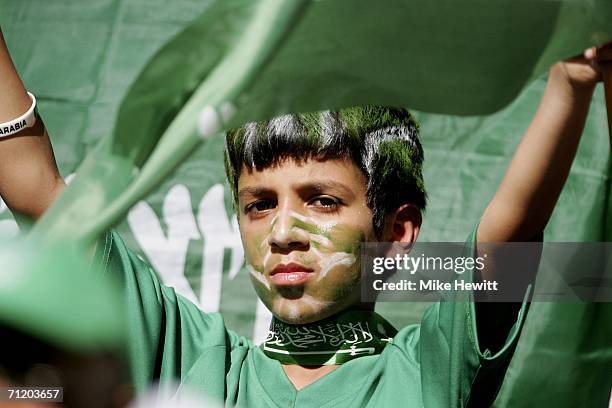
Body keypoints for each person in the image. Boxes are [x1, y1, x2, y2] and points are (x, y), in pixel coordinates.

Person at [0, 25, 610, 406]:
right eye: (259, 205)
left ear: (396, 232)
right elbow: (42, 199)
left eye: (322, 199)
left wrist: (571, 85)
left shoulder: (426, 371)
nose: (285, 232)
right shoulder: (195, 360)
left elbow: (505, 245)